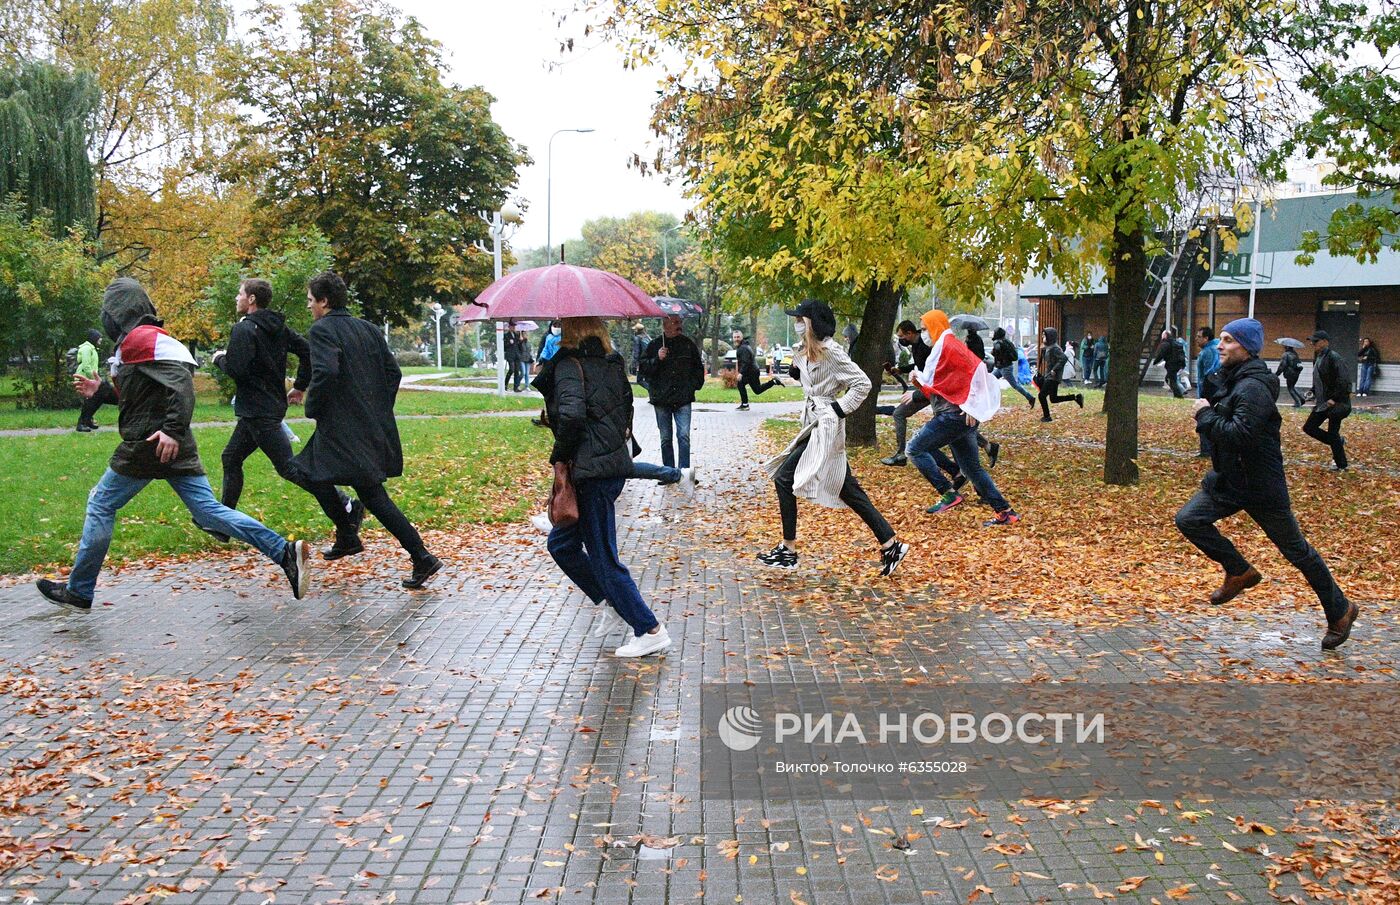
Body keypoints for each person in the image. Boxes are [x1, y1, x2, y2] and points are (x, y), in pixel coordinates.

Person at [36, 278, 310, 610]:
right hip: (171, 442)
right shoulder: (136, 342)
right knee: (209, 512)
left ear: (119, 312)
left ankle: (79, 591)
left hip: (149, 443)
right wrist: (102, 392)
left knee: (101, 504)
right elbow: (137, 396)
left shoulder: (143, 338)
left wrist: (171, 430)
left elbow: (182, 384)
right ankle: (283, 552)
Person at [1175, 318, 1358, 651]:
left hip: (1260, 486)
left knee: (1298, 552)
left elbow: (1240, 435)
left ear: (1246, 347)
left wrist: (1204, 416)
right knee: (1189, 519)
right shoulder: (1235, 379)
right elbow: (1224, 413)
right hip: (1230, 480)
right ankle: (1239, 570)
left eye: (1228, 340)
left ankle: (1341, 609)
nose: (1220, 345)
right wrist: (1211, 394)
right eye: (1221, 339)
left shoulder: (1254, 387)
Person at [291, 271, 442, 586]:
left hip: (341, 429)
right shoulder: (369, 330)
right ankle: (412, 554)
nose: (309, 307)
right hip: (365, 426)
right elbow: (394, 373)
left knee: (307, 472)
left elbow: (327, 370)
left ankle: (355, 534)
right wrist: (379, 408)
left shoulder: (321, 330)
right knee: (370, 493)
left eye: (310, 301)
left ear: (324, 301)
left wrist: (313, 406)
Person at [535, 316, 671, 657]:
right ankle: (611, 601)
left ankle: (649, 628)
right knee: (562, 544)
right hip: (608, 465)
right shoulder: (611, 363)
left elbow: (572, 416)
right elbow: (623, 409)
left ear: (570, 330)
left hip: (590, 472)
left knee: (604, 558)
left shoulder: (568, 365)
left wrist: (559, 456)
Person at [760, 299, 910, 574]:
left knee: (783, 475)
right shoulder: (807, 350)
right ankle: (891, 544)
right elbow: (808, 376)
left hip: (826, 424)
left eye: (799, 320)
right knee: (845, 487)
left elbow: (862, 383)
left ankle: (788, 549)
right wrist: (798, 367)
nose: (795, 325)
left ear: (811, 323)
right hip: (813, 423)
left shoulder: (832, 352)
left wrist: (837, 410)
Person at [210, 278, 360, 545]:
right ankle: (224, 525)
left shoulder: (243, 330)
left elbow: (237, 369)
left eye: (239, 293)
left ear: (252, 299)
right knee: (231, 458)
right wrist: (299, 386)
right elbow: (306, 351)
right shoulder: (277, 327)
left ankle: (347, 505)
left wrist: (219, 358)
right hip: (265, 407)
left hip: (259, 410)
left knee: (289, 468)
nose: (236, 298)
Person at [906, 309, 1020, 525]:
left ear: (935, 326)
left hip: (953, 417)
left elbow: (977, 370)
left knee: (914, 449)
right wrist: (917, 381)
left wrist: (971, 405)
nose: (923, 334)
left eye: (924, 329)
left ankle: (949, 493)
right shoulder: (944, 348)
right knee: (971, 468)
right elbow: (939, 386)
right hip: (957, 416)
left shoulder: (949, 346)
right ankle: (1006, 511)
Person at [639, 314, 705, 471]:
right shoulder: (654, 345)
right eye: (675, 322)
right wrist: (657, 359)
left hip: (683, 398)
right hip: (662, 399)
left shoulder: (688, 345)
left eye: (679, 322)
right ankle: (668, 471)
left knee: (684, 436)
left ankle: (684, 472)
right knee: (665, 438)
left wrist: (693, 386)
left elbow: (698, 368)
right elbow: (643, 369)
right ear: (665, 325)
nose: (678, 325)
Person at [881, 320, 932, 465]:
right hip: (925, 388)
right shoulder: (915, 346)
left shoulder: (926, 346)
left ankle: (902, 454)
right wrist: (900, 370)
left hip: (932, 389)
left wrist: (915, 393)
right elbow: (918, 365)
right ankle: (987, 445)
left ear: (910, 333)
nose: (901, 340)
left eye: (901, 336)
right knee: (950, 422)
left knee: (949, 422)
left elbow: (929, 369)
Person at [1302, 330, 1351, 471]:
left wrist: (1333, 398)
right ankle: (1337, 443)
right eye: (1312, 341)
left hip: (1335, 403)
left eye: (1315, 341)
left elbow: (1343, 381)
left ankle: (1342, 464)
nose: (1313, 344)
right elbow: (1320, 379)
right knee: (1309, 428)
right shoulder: (1319, 357)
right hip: (1323, 403)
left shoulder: (1334, 357)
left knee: (1332, 433)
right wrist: (1312, 392)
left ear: (1325, 341)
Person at [1036, 327, 1083, 421]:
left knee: (1041, 395)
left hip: (1053, 376)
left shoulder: (1055, 348)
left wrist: (1054, 370)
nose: (1042, 337)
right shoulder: (1049, 347)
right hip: (1049, 376)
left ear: (1050, 336)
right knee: (1053, 399)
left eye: (1044, 335)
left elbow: (1063, 358)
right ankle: (1076, 397)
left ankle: (1047, 416)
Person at [74, 328, 116, 431]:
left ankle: (87, 421)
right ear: (94, 338)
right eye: (99, 337)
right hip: (85, 379)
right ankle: (82, 423)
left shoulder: (91, 349)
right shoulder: (87, 349)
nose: (100, 340)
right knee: (91, 400)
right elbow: (87, 366)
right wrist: (96, 380)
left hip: (90, 379)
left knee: (94, 399)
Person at [733, 330, 782, 410]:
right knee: (756, 389)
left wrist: (741, 373)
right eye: (735, 337)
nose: (736, 339)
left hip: (751, 372)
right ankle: (773, 382)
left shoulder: (743, 348)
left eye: (738, 337)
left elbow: (746, 362)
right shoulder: (743, 346)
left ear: (741, 337)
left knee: (742, 384)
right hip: (752, 371)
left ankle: (745, 405)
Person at [1194, 326, 1221, 458]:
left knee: (1204, 417)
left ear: (1206, 338)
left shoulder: (1208, 351)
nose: (1196, 339)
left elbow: (1207, 373)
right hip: (1213, 388)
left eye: (1199, 337)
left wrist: (1203, 392)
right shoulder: (1214, 348)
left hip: (1209, 389)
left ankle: (1206, 449)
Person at [990, 327, 1034, 406]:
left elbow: (997, 353)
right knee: (989, 380)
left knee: (1015, 385)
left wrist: (993, 352)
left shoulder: (997, 343)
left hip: (1004, 368)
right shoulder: (1007, 342)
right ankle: (991, 399)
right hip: (1003, 367)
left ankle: (1030, 397)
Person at [1152, 329, 1187, 398]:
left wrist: (1155, 361)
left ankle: (1179, 396)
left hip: (1171, 365)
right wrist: (1183, 365)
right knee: (1171, 379)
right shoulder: (1176, 343)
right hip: (1177, 365)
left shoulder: (1165, 344)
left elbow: (1161, 354)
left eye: (1162, 335)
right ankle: (1178, 394)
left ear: (1165, 335)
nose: (1161, 336)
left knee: (1170, 379)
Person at [503, 323, 524, 392]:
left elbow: (520, 347)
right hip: (510, 355)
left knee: (516, 371)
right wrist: (509, 343)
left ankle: (516, 387)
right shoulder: (506, 335)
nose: (513, 328)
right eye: (512, 326)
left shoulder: (517, 335)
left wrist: (521, 341)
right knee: (511, 369)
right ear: (509, 327)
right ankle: (505, 385)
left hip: (517, 355)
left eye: (514, 326)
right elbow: (504, 347)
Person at [630, 322, 650, 387]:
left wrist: (634, 365)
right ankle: (653, 394)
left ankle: (652, 391)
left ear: (637, 330)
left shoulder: (637, 338)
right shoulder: (647, 337)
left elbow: (636, 353)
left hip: (642, 362)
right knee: (647, 379)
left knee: (639, 380)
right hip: (649, 361)